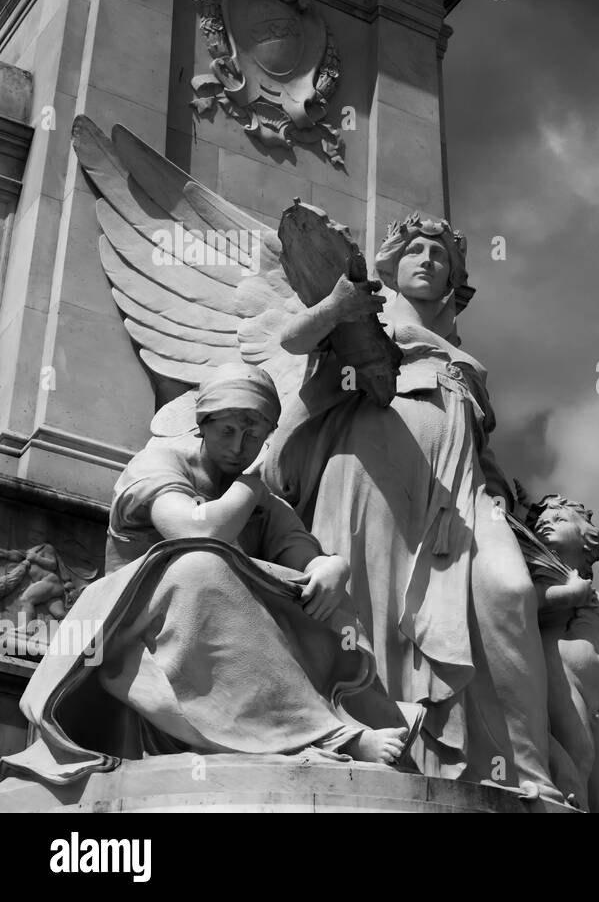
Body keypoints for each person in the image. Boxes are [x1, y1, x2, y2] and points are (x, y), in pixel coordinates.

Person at [267, 214, 561, 801]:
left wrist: (506, 501)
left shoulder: (461, 352)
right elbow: (294, 341)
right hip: (373, 465)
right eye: (415, 250)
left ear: (455, 277)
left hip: (464, 491)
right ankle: (364, 736)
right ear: (391, 263)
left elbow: (479, 442)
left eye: (441, 254)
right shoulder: (369, 310)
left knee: (507, 593)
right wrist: (337, 306)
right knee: (367, 606)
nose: (427, 259)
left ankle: (524, 773)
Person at [0, 364, 407, 785]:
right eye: (227, 431)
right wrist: (250, 488)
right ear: (202, 423)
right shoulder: (158, 464)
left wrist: (331, 567)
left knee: (318, 591)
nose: (238, 447)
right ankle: (334, 737)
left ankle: (338, 718)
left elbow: (303, 553)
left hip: (199, 621)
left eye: (253, 436)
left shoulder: (258, 497)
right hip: (124, 628)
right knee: (200, 565)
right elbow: (197, 532)